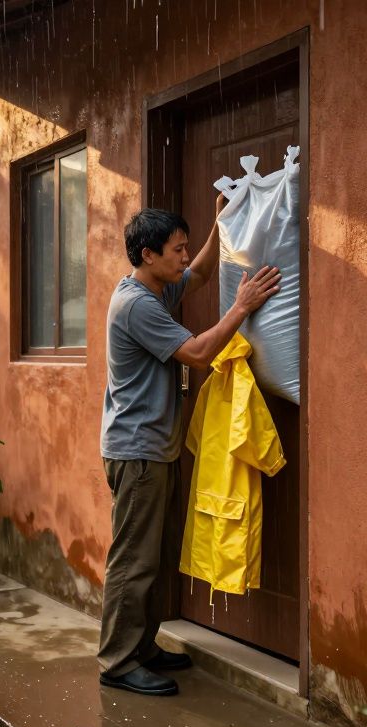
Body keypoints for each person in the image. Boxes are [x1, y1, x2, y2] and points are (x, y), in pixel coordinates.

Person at [98, 196, 281, 696]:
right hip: (138, 454)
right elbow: (199, 353)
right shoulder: (136, 305)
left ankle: (142, 646)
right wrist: (242, 307)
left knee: (152, 557)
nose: (183, 257)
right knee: (133, 560)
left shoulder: (153, 288)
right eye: (175, 250)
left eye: (183, 247)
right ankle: (117, 661)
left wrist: (220, 223)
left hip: (153, 449)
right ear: (147, 255)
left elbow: (197, 276)